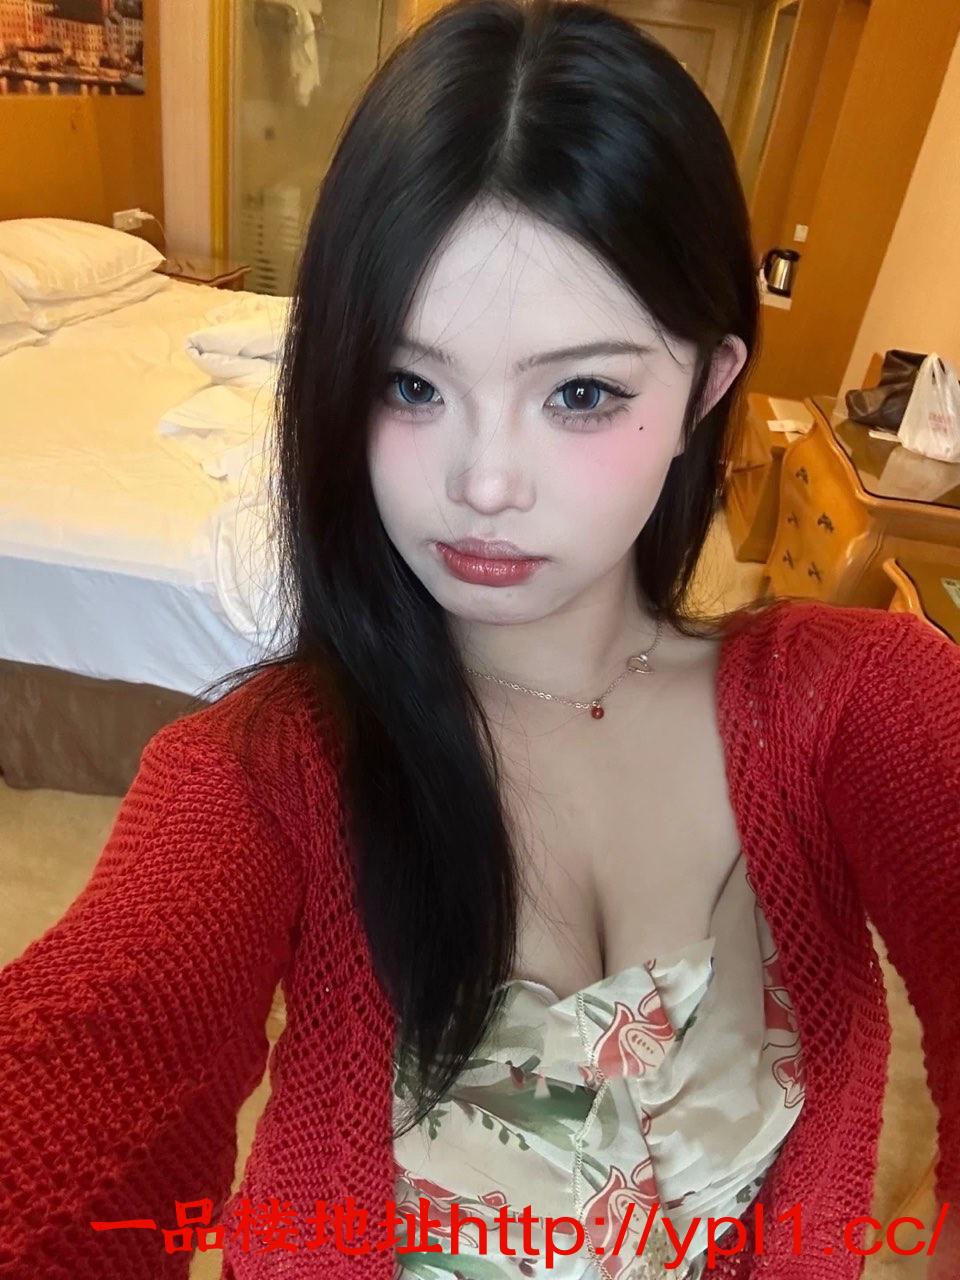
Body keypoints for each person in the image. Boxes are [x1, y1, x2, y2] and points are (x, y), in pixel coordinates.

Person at [1, 2, 958, 1278]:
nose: (484, 482)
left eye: (582, 391)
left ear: (707, 385)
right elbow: (98, 1056)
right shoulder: (258, 773)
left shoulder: (863, 704)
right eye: (412, 384)